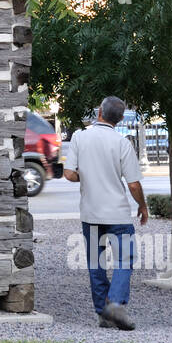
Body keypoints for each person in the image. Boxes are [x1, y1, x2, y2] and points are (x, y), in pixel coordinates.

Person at [64, 96, 148, 330]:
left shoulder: (80, 137)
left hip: (90, 213)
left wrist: (86, 175)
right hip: (118, 214)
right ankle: (117, 304)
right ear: (120, 119)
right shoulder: (122, 143)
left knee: (96, 263)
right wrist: (142, 206)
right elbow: (133, 184)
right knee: (126, 259)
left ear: (99, 111)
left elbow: (69, 174)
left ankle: (103, 313)